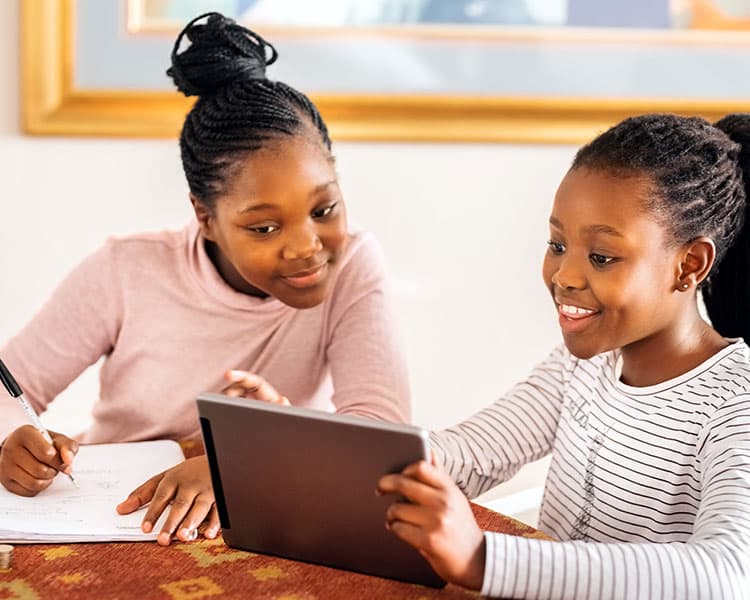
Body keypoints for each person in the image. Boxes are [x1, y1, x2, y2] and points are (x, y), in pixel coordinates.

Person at [0, 11, 411, 538]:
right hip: (117, 517)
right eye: (264, 228)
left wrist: (242, 462)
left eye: (324, 210)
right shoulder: (125, 269)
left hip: (260, 511)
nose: (308, 248)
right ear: (205, 217)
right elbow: (13, 388)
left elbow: (382, 434)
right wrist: (11, 445)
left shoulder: (353, 262)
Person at [377, 113, 750, 598]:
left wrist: (485, 559)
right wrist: (320, 453)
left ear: (688, 265)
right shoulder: (582, 365)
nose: (564, 276)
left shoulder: (734, 405)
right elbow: (470, 453)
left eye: (601, 257)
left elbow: (725, 575)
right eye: (558, 244)